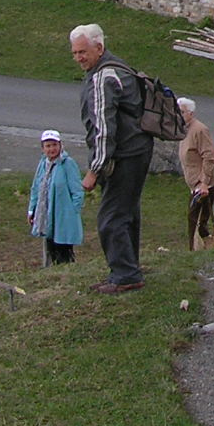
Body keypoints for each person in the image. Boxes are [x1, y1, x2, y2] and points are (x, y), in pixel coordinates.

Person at [71, 23, 153, 294]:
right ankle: (129, 267)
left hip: (124, 154)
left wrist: (95, 169)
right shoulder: (119, 67)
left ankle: (125, 275)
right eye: (75, 53)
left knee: (111, 217)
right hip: (139, 149)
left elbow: (105, 129)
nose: (79, 58)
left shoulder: (103, 78)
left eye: (83, 51)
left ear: (99, 48)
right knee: (127, 211)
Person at [28, 129, 84, 265]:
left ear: (60, 145)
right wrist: (32, 209)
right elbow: (36, 187)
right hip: (46, 213)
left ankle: (66, 271)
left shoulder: (68, 164)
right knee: (50, 244)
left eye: (54, 145)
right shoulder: (43, 164)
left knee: (63, 247)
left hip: (63, 215)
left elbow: (77, 190)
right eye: (48, 146)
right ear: (43, 148)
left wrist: (73, 211)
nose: (51, 149)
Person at [179, 97, 214, 251]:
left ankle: (203, 249)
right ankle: (200, 248)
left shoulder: (199, 129)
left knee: (198, 220)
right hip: (195, 183)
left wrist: (204, 182)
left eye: (182, 112)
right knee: (195, 219)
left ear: (191, 113)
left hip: (205, 183)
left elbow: (210, 157)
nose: (180, 115)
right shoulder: (184, 130)